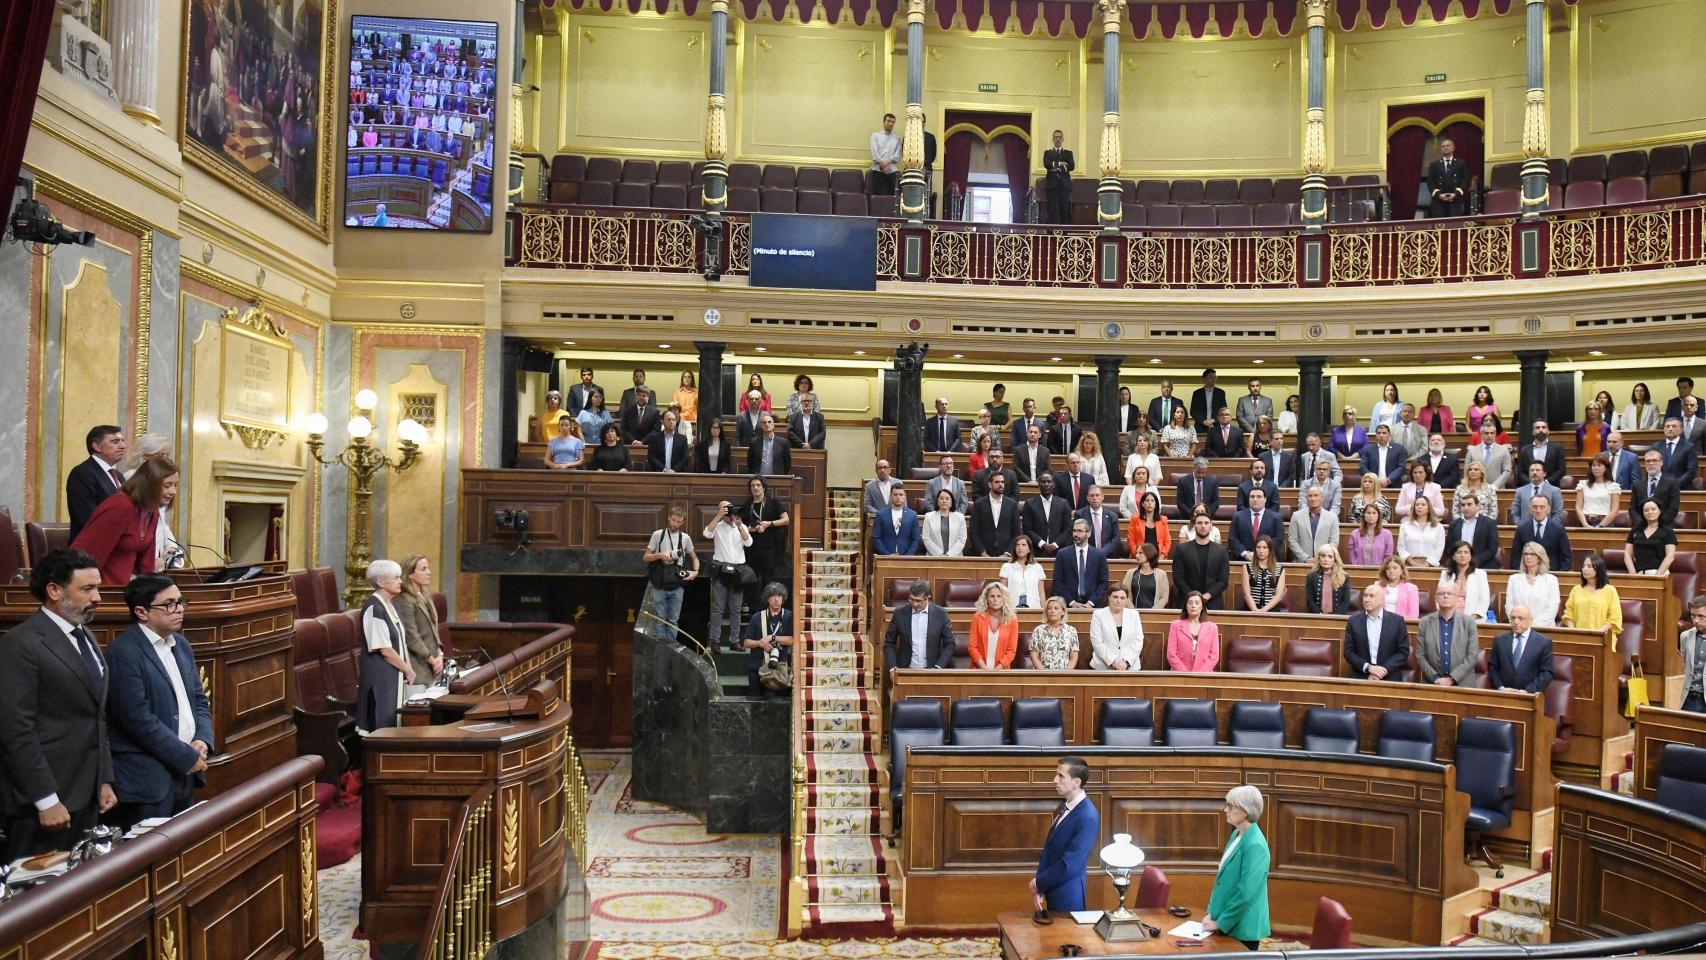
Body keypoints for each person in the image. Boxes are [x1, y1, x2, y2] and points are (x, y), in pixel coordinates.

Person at [0, 549, 117, 858]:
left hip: (86, 792)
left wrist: (103, 779)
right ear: (54, 590)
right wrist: (45, 798)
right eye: (87, 589)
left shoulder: (84, 635)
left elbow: (97, 716)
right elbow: (16, 730)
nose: (98, 598)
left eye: (98, 588)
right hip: (46, 801)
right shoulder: (21, 644)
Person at [106, 574, 212, 828]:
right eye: (169, 604)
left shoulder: (181, 644)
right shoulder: (124, 652)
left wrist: (203, 739)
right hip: (148, 780)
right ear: (141, 612)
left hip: (185, 771)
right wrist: (184, 756)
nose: (180, 609)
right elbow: (136, 719)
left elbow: (198, 698)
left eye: (181, 601)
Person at [70, 457, 177, 584]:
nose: (173, 492)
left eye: (175, 485)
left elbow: (146, 565)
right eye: (167, 485)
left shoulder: (152, 511)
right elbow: (84, 557)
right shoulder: (121, 506)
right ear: (149, 484)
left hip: (126, 590)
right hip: (101, 591)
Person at [1203, 785, 1272, 950]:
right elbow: (1223, 880)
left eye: (1231, 806)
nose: (1225, 809)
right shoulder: (1237, 834)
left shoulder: (1256, 845)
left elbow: (1246, 893)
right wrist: (1212, 913)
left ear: (1246, 811)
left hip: (1243, 928)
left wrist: (1220, 922)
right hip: (1227, 922)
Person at [1032, 756, 1099, 913]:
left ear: (1076, 782)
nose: (1055, 780)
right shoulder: (1065, 807)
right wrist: (1042, 887)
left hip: (1068, 899)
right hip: (1054, 890)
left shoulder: (1087, 816)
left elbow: (1070, 864)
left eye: (1061, 776)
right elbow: (1052, 851)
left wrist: (1038, 883)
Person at [357, 560, 411, 733]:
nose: (400, 581)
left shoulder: (392, 606)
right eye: (396, 577)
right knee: (381, 728)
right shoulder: (374, 608)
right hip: (380, 681)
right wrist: (408, 669)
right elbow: (385, 650)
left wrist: (405, 668)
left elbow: (400, 642)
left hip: (393, 678)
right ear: (381, 582)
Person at [640, 507, 698, 643]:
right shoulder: (658, 535)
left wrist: (695, 572)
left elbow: (695, 558)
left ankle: (670, 648)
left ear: (682, 522)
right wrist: (660, 555)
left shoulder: (685, 538)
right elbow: (646, 557)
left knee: (673, 620)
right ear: (669, 518)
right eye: (673, 520)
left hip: (677, 581)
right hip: (659, 580)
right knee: (660, 618)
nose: (675, 524)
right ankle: (661, 647)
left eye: (679, 522)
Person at [705, 498, 754, 651]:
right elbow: (706, 533)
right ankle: (715, 641)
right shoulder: (717, 526)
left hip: (738, 571)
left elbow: (749, 543)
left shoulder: (741, 526)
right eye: (724, 509)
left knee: (736, 609)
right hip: (720, 571)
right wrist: (718, 516)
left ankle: (734, 640)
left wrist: (739, 525)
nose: (728, 512)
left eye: (729, 509)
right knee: (718, 608)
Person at [394, 554, 444, 697]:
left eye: (428, 568)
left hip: (434, 666)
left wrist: (439, 654)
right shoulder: (404, 600)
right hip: (417, 668)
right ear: (410, 574)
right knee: (417, 714)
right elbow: (411, 636)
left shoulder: (425, 596)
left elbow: (434, 629)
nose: (429, 572)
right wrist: (432, 659)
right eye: (423, 569)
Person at [883, 580, 956, 673]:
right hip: (905, 670)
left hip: (933, 670)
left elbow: (950, 644)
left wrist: (938, 667)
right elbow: (889, 643)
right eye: (911, 599)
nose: (914, 604)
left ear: (927, 598)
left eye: (918, 601)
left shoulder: (941, 614)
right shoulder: (900, 613)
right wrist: (893, 668)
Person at [1416, 581, 1479, 687]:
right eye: (1441, 593)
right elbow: (1420, 656)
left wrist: (1451, 678)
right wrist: (1435, 678)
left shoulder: (1469, 622)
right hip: (1433, 683)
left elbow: (1472, 656)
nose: (1445, 596)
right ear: (1436, 598)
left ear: (1456, 598)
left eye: (1449, 593)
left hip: (1463, 684)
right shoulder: (1425, 622)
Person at [1345, 583, 1410, 680]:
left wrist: (1383, 670)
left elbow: (1403, 652)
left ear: (1381, 600)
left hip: (1389, 675)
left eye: (1372, 596)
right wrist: (1368, 668)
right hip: (1362, 676)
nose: (1367, 599)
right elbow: (1348, 652)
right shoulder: (1353, 621)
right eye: (1365, 595)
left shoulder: (1397, 621)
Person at [740, 583, 794, 697]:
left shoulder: (789, 616)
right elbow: (746, 643)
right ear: (767, 599)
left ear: (783, 598)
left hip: (777, 667)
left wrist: (773, 637)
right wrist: (760, 643)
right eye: (773, 596)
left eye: (779, 596)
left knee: (771, 700)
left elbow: (793, 640)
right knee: (755, 700)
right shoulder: (757, 617)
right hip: (756, 666)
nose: (776, 599)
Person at [1489, 604, 1554, 693]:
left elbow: (1547, 672)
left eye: (1520, 618)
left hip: (1531, 697)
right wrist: (1501, 688)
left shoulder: (1543, 642)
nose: (1516, 622)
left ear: (1530, 620)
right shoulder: (1499, 640)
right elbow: (1492, 668)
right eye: (1513, 618)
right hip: (1504, 696)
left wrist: (1529, 691)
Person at [1563, 554, 1623, 650]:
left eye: (1589, 566)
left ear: (1598, 569)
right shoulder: (1576, 589)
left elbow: (1615, 618)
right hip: (1579, 639)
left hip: (1602, 639)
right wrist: (1573, 631)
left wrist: (1597, 634)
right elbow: (1568, 614)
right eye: (1583, 566)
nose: (1584, 569)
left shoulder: (1610, 590)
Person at [1173, 512, 1230, 609]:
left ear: (1211, 526)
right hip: (1187, 602)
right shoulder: (1181, 549)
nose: (1203, 526)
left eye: (1206, 523)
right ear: (1194, 525)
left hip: (1213, 602)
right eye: (1199, 523)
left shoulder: (1221, 551)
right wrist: (1194, 597)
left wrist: (1207, 596)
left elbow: (1223, 581)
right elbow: (1178, 577)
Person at [742, 476, 789, 595]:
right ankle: (756, 610)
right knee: (754, 581)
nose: (755, 488)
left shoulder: (773, 501)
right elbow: (741, 528)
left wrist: (769, 524)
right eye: (752, 486)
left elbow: (786, 520)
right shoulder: (747, 505)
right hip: (752, 550)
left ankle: (770, 608)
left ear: (763, 488)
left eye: (758, 485)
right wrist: (751, 529)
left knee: (769, 581)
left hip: (771, 549)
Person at [1512, 493, 1571, 573]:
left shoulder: (1558, 529)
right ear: (1530, 509)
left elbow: (1566, 557)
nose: (1538, 510)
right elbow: (1516, 556)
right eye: (1535, 507)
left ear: (1548, 509)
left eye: (1542, 507)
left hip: (1552, 574)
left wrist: (1560, 575)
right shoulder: (1522, 528)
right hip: (1527, 574)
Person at [1056, 520, 1109, 609]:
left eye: (1079, 531)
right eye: (1074, 531)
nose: (1076, 534)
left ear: (1088, 533)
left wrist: (1091, 603)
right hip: (1068, 605)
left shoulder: (1099, 555)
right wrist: (1071, 602)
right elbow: (1058, 581)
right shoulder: (1062, 554)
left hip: (1093, 606)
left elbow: (1103, 582)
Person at [1506, 542, 1561, 627]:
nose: (1528, 557)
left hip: (1544, 628)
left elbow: (1552, 608)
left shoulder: (1551, 580)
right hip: (1519, 627)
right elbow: (1509, 606)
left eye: (1532, 554)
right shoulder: (1514, 579)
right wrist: (1520, 624)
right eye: (1526, 554)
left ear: (1540, 557)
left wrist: (1534, 625)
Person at [1090, 585, 1143, 671]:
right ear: (1108, 598)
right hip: (1103, 667)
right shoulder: (1098, 615)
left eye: (1122, 598)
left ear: (1126, 600)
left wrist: (1126, 662)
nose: (1119, 601)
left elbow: (1138, 641)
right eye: (1115, 597)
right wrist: (1113, 661)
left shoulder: (1134, 615)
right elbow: (1097, 642)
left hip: (1130, 667)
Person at [968, 472, 1021, 558]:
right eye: (997, 482)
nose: (1001, 484)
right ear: (989, 484)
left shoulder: (1012, 505)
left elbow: (1017, 532)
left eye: (1002, 482)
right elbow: (973, 532)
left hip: (1006, 556)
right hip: (982, 556)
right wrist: (982, 553)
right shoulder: (979, 504)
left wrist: (1007, 553)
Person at [968, 582, 1019, 670]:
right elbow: (972, 647)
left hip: (1001, 672)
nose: (995, 600)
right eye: (992, 596)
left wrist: (996, 671)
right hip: (979, 670)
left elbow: (1011, 651)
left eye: (999, 596)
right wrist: (984, 669)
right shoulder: (978, 618)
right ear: (986, 599)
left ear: (1004, 599)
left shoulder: (1012, 620)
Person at [1167, 592, 1220, 671]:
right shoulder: (1176, 625)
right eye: (1190, 603)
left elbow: (1214, 656)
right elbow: (1171, 654)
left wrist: (1199, 674)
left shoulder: (1212, 628)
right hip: (1180, 675)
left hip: (1204, 675)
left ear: (1202, 606)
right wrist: (1185, 674)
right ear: (1186, 606)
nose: (1193, 606)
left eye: (1197, 603)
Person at [1630, 448, 1682, 528]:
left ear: (1661, 462)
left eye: (1654, 460)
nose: (1651, 463)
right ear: (1644, 464)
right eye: (1648, 461)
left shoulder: (1672, 483)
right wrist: (1642, 524)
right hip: (1641, 528)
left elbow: (1673, 508)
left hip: (1664, 528)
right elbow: (1633, 509)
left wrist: (1657, 524)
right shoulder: (1637, 485)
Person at [1288, 484, 1339, 563]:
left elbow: (1334, 542)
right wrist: (1305, 558)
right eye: (1310, 496)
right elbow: (1292, 540)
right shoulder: (1296, 516)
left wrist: (1322, 558)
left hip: (1325, 563)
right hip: (1302, 562)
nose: (1313, 498)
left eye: (1316, 495)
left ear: (1322, 498)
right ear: (1307, 498)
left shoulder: (1332, 517)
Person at [1022, 473, 1071, 555]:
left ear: (1054, 485)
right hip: (1036, 550)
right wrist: (1043, 544)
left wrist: (1055, 545)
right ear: (1038, 485)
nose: (1046, 484)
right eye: (1043, 482)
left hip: (1059, 550)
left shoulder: (1063, 503)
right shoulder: (1029, 503)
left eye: (1049, 482)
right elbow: (1027, 529)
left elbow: (1067, 529)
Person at [1231, 488, 1283, 564]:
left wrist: (1262, 553)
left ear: (1265, 499)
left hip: (1268, 561)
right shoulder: (1238, 516)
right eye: (1252, 497)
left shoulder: (1276, 517)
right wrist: (1245, 553)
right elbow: (1233, 538)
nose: (1255, 499)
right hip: (1243, 560)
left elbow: (1278, 539)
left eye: (1259, 496)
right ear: (1248, 499)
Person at [1626, 499, 1677, 575]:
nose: (1650, 512)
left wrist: (1657, 576)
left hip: (1660, 573)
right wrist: (1633, 574)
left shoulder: (1668, 531)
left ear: (1660, 510)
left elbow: (1670, 556)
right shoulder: (1636, 530)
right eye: (1646, 510)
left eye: (1653, 509)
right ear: (1642, 513)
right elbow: (1627, 554)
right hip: (1639, 573)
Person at [1028, 597, 1080, 670]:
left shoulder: (1071, 631)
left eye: (1056, 608)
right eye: (1049, 608)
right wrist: (1043, 673)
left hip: (1065, 675)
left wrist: (1066, 673)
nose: (1052, 611)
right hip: (1043, 675)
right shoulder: (1038, 630)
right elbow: (1034, 656)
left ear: (1063, 612)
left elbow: (1074, 657)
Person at [1573, 453, 1622, 528]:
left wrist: (1600, 526)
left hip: (1605, 524)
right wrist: (1585, 524)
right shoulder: (1582, 485)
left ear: (1606, 468)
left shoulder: (1613, 486)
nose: (1596, 468)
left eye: (1599, 465)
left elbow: (1614, 511)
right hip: (1585, 522)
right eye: (1594, 465)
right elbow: (1578, 507)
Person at [1076, 484, 1123, 558]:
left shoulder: (1112, 516)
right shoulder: (1080, 515)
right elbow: (1078, 537)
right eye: (1092, 495)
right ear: (1087, 498)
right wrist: (1092, 552)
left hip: (1107, 556)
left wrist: (1102, 552)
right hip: (1086, 555)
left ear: (1102, 497)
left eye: (1097, 495)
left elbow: (1116, 539)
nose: (1095, 498)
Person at [873, 484, 920, 557]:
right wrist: (887, 555)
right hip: (885, 557)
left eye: (901, 495)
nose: (898, 497)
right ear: (891, 496)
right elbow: (876, 537)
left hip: (906, 558)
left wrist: (908, 556)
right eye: (895, 495)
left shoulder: (912, 515)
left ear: (905, 496)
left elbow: (915, 539)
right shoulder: (880, 514)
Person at [1242, 537, 1286, 613]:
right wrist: (1255, 611)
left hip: (1272, 611)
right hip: (1251, 610)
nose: (1261, 551)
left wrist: (1264, 610)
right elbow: (1247, 594)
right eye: (1258, 547)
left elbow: (1279, 595)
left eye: (1265, 547)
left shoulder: (1279, 569)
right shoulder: (1247, 568)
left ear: (1270, 549)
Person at [1398, 497, 1446, 567]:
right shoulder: (1405, 526)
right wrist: (1413, 563)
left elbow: (1439, 548)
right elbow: (1401, 548)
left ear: (1429, 508)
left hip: (1431, 566)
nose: (1419, 507)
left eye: (1423, 505)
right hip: (1409, 565)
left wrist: (1426, 564)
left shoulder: (1438, 527)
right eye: (1417, 505)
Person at [1426, 138, 1469, 217]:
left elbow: (1465, 180)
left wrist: (1456, 194)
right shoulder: (1434, 165)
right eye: (1443, 146)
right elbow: (1430, 183)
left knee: (1454, 226)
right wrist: (1439, 195)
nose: (1445, 147)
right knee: (1439, 226)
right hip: (1438, 201)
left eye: (1448, 145)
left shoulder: (1461, 163)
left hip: (1455, 200)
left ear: (1453, 148)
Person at [1001, 535, 1045, 609]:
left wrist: (1043, 609)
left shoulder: (1037, 567)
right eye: (1017, 545)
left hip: (1034, 608)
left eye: (1023, 545)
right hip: (1012, 609)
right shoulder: (1007, 567)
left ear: (1029, 549)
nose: (1020, 548)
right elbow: (1002, 592)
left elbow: (1041, 592)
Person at [1122, 542, 1170, 610]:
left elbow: (1164, 598)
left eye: (1140, 553)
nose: (1136, 556)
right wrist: (1133, 611)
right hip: (1132, 614)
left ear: (1149, 554)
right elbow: (1124, 594)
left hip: (1153, 615)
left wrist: (1152, 612)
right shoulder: (1130, 573)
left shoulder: (1162, 575)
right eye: (1136, 553)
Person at [1040, 129, 1075, 224]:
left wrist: (1055, 166)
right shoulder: (1048, 153)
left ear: (1062, 139)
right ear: (1052, 139)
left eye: (1059, 137)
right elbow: (1047, 164)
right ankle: (1050, 232)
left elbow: (1072, 166)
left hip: (1065, 186)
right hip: (1051, 185)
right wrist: (1062, 164)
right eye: (1056, 137)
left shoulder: (1068, 153)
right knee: (1051, 209)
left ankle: (1064, 232)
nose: (1058, 139)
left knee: (1064, 209)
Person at [1466, 419, 1513, 489]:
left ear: (1495, 434)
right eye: (1486, 433)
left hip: (1497, 490)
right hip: (1476, 490)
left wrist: (1495, 486)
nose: (1489, 435)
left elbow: (1507, 471)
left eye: (1492, 433)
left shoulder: (1504, 450)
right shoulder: (1472, 450)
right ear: (1481, 434)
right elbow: (1466, 471)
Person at [1306, 545, 1354, 614]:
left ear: (1335, 560)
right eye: (1323, 556)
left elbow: (1346, 602)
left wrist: (1334, 617)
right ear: (1319, 558)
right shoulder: (1311, 577)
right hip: (1317, 617)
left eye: (1330, 556)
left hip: (1337, 618)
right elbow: (1310, 601)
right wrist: (1319, 614)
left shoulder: (1344, 577)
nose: (1326, 559)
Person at [921, 488, 968, 557]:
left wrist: (949, 555)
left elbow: (961, 539)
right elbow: (926, 538)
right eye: (941, 498)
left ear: (951, 503)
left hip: (955, 558)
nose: (944, 501)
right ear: (938, 502)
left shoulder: (960, 517)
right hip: (933, 557)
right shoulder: (929, 517)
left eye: (947, 499)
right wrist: (940, 555)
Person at [1126, 491, 1172, 560]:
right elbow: (1131, 539)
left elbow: (1167, 541)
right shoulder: (1135, 519)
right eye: (1147, 500)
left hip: (1158, 558)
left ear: (1156, 504)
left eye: (1152, 501)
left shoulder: (1163, 520)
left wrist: (1161, 557)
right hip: (1139, 557)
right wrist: (1137, 555)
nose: (1150, 503)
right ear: (1142, 504)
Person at [1679, 597, 1706, 713]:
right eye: (1693, 616)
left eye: (1701, 616)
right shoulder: (1685, 636)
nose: (1696, 621)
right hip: (1690, 699)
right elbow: (1686, 666)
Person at [1349, 503, 1393, 568]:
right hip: (1359, 570)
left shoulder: (1387, 534)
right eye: (1368, 513)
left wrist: (1382, 569)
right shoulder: (1355, 534)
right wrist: (1357, 567)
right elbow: (1352, 554)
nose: (1371, 515)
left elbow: (1388, 555)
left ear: (1378, 516)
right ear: (1364, 515)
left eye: (1374, 513)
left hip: (1380, 571)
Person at [868, 112, 902, 195]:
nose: (891, 124)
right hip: (877, 171)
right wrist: (883, 165)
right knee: (879, 199)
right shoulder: (875, 136)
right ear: (884, 122)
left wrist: (888, 164)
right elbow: (875, 154)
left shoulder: (897, 139)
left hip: (892, 172)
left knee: (892, 199)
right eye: (888, 121)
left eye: (893, 122)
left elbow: (897, 156)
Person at [1658, 416, 1700, 483]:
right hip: (1661, 488)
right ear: (1664, 429)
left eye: (1674, 426)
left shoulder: (1689, 447)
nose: (1670, 429)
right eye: (1667, 426)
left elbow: (1691, 472)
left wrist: (1674, 485)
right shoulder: (1656, 447)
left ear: (1681, 430)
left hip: (1682, 488)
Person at [673, 371, 698, 439]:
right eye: (685, 377)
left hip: (694, 421)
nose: (686, 379)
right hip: (681, 421)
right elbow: (675, 410)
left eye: (689, 377)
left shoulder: (697, 393)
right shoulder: (677, 393)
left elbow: (700, 409)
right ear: (682, 379)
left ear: (692, 379)